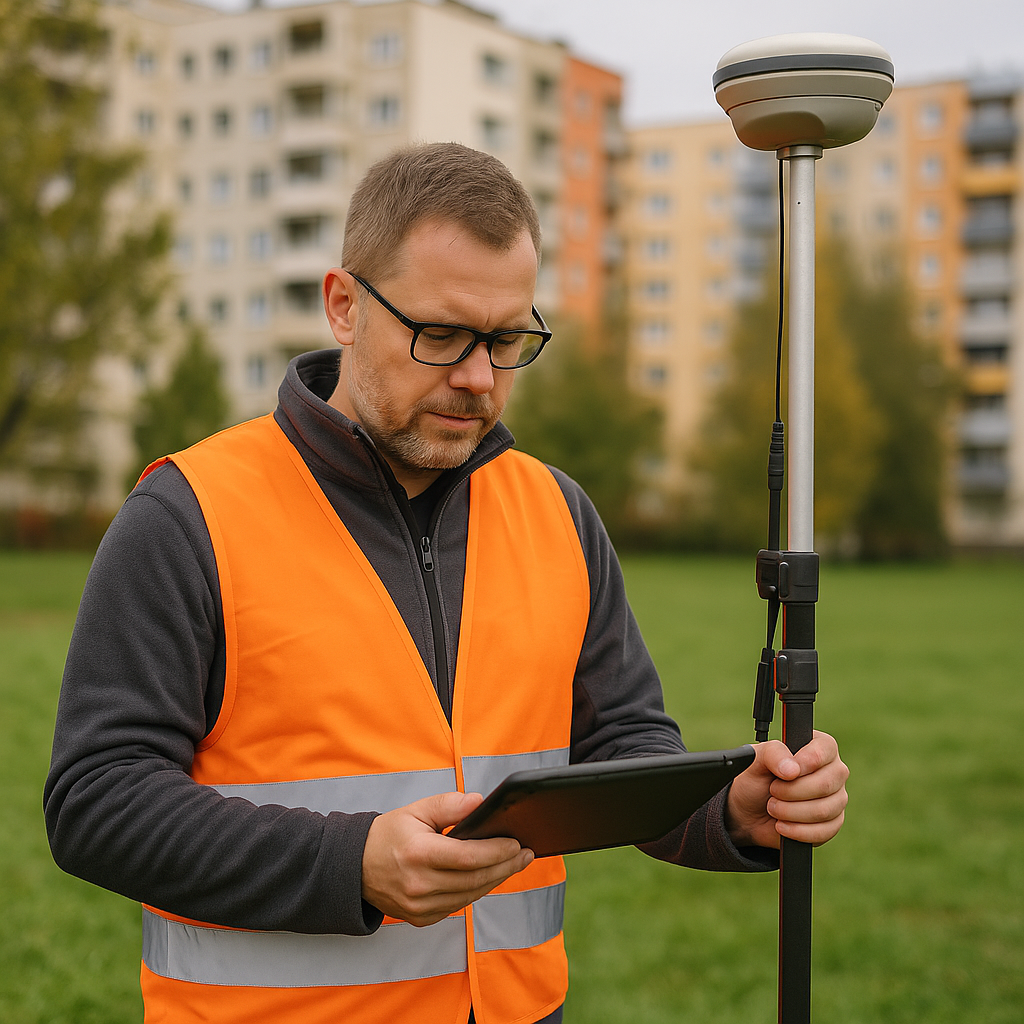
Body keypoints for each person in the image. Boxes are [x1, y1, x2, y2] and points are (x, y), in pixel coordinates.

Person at [45, 142, 848, 1024]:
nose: (477, 377)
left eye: (507, 340)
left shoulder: (558, 511)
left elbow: (624, 747)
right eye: (441, 335)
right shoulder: (187, 514)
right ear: (344, 306)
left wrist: (728, 810)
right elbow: (97, 799)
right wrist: (350, 863)